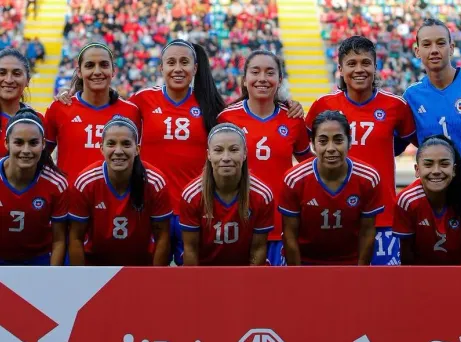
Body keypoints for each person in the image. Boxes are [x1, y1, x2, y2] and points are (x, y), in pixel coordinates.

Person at [55, 39, 303, 265]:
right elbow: (108, 106)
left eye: (184, 62)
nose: (177, 69)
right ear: (160, 67)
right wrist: (71, 94)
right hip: (149, 211)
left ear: (195, 68)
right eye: (170, 63)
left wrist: (288, 104)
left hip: (198, 212)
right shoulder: (140, 102)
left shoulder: (213, 107)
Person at [305, 36, 416, 265]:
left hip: (383, 217)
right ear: (340, 69)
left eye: (366, 62)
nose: (359, 69)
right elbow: (306, 146)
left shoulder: (396, 106)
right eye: (352, 63)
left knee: (381, 292)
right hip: (334, 218)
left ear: (376, 67)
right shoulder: (322, 105)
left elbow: (405, 143)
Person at [218, 50, 311, 266]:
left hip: (281, 227)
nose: (262, 78)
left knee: (281, 296)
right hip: (238, 227)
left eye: (270, 73)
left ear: (279, 80)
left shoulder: (292, 119)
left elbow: (309, 167)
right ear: (244, 79)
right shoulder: (226, 118)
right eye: (255, 72)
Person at [279, 110, 383, 265]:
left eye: (338, 140)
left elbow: (367, 232)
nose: (331, 148)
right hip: (306, 262)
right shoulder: (294, 179)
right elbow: (289, 235)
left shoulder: (368, 178)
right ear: (313, 144)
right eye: (323, 141)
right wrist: (297, 277)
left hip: (351, 262)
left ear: (350, 141)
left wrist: (360, 273)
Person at [68, 116, 172, 266]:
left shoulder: (155, 182)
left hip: (141, 266)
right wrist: (82, 280)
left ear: (137, 149)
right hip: (96, 267)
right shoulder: (86, 182)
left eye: (126, 144)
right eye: (111, 144)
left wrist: (155, 279)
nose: (118, 151)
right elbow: (76, 237)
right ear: (101, 148)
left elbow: (162, 236)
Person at [45, 42, 141, 181]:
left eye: (104, 65)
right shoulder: (59, 108)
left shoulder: (131, 111)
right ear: (79, 71)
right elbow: (41, 157)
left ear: (113, 71)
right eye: (90, 65)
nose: (97, 71)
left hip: (115, 200)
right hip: (70, 200)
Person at [180, 123, 274, 266]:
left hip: (245, 271)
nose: (226, 157)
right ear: (208, 155)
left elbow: (258, 249)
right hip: (204, 271)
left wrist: (249, 284)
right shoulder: (192, 195)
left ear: (245, 154)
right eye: (218, 150)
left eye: (234, 150)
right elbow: (191, 250)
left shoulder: (262, 195)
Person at [0, 108, 68, 265]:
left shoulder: (57, 184)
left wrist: (51, 277)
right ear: (6, 143)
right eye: (18, 142)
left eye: (33, 143)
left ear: (43, 144)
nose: (26, 150)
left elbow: (58, 241)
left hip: (38, 262)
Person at [393, 135, 461, 265]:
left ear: (454, 169)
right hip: (421, 276)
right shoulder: (407, 201)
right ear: (417, 170)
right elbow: (406, 257)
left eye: (444, 164)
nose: (436, 171)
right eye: (428, 164)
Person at [403, 18, 461, 168]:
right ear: (417, 51)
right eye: (427, 44)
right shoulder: (412, 96)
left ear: (451, 48)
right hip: (435, 186)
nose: (434, 50)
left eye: (440, 43)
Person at [0, 48, 44, 156]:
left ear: (28, 80)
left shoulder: (37, 120)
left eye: (16, 74)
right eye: (2, 73)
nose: (9, 80)